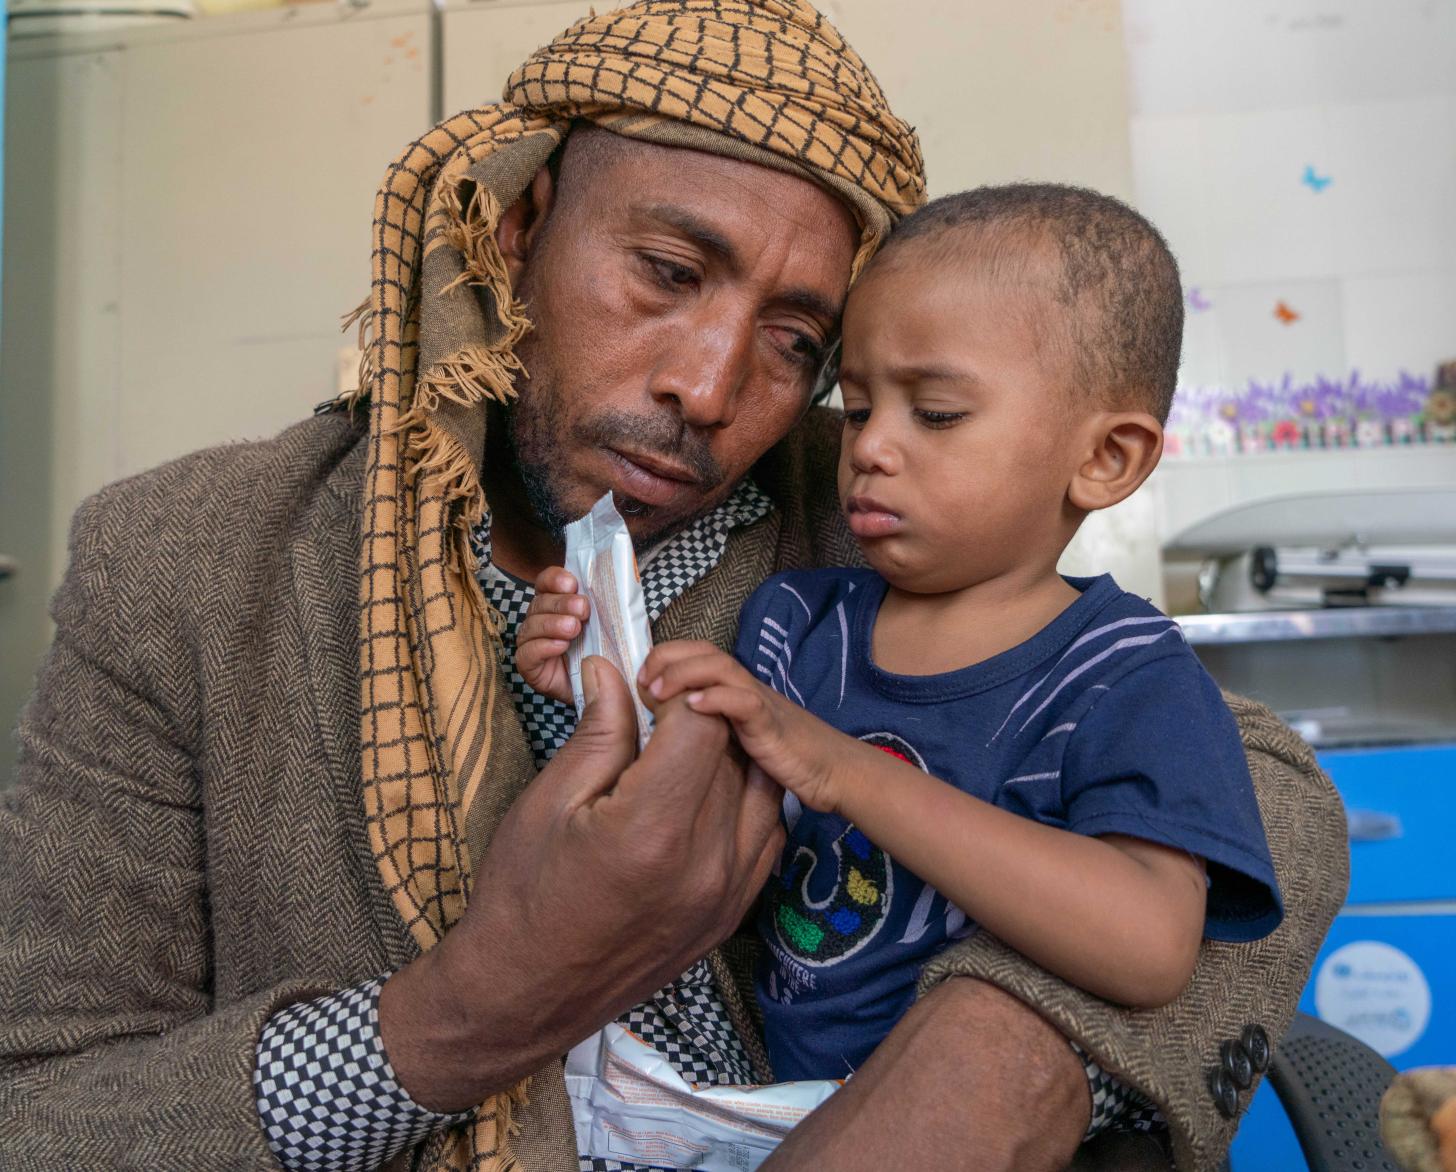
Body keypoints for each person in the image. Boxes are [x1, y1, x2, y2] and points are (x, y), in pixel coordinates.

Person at [0, 3, 1347, 1171]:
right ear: (519, 229)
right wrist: (477, 1010)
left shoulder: (862, 508)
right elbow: (41, 1110)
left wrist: (997, 1054)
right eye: (665, 270)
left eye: (793, 339)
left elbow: (1261, 790)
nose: (706, 388)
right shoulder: (192, 565)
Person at [522, 183, 1284, 1086]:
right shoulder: (798, 624)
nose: (871, 447)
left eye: (936, 414)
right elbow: (701, 859)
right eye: (857, 406)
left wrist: (844, 770)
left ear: (1104, 460)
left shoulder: (1126, 673)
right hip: (775, 1116)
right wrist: (615, 692)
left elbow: (1151, 947)